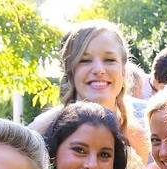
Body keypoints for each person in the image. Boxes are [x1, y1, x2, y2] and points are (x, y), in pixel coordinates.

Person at [29, 20, 150, 161]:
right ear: (71, 71)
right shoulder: (41, 130)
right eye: (85, 60)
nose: (99, 69)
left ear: (123, 70)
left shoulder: (138, 137)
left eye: (109, 60)